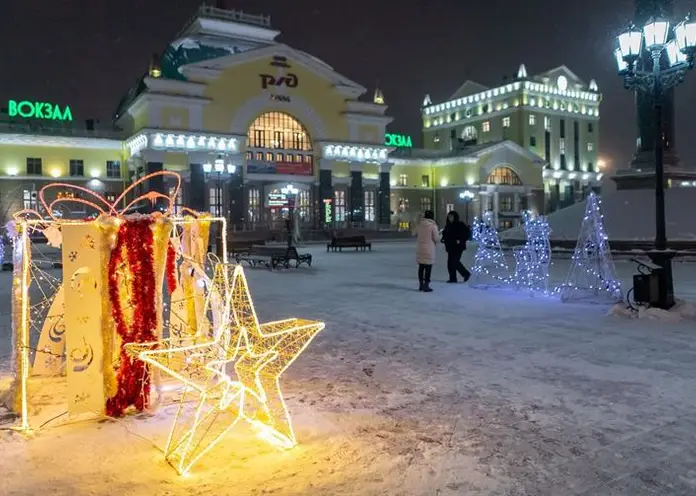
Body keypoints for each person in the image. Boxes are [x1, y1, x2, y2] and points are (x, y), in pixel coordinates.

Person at [441, 210, 472, 283]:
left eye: (451, 217)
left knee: (454, 262)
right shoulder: (448, 226)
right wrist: (444, 239)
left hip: (458, 247)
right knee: (450, 263)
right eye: (449, 217)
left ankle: (466, 274)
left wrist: (460, 240)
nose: (450, 218)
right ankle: (453, 278)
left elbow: (467, 234)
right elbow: (446, 234)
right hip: (450, 247)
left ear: (455, 217)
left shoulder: (460, 225)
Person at [415, 210, 439, 292]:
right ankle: (426, 285)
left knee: (421, 267)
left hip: (420, 247)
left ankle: (421, 284)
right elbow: (436, 238)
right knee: (428, 267)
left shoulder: (419, 225)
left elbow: (414, 233)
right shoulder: (433, 226)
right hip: (429, 248)